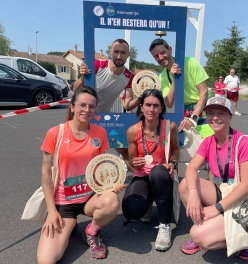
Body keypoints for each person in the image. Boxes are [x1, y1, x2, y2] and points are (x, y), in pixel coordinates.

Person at [37, 86, 126, 263]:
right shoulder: (55, 133)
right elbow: (46, 173)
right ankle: (70, 226)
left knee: (111, 201)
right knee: (46, 260)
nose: (87, 110)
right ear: (72, 106)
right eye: (82, 105)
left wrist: (111, 187)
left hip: (89, 197)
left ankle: (92, 231)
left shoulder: (99, 133)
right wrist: (52, 211)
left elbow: (101, 167)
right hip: (63, 202)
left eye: (91, 106)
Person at [178, 96, 248, 261]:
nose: (215, 117)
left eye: (221, 113)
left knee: (197, 235)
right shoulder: (209, 141)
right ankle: (213, 228)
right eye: (211, 113)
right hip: (223, 191)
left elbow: (247, 185)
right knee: (186, 185)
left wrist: (216, 208)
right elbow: (192, 168)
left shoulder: (244, 142)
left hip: (244, 201)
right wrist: (194, 194)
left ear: (230, 116)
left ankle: (245, 239)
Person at [122, 89, 180, 251]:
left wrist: (173, 163)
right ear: (141, 107)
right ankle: (147, 202)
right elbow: (133, 161)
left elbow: (175, 150)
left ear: (162, 108)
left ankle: (164, 226)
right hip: (142, 175)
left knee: (158, 173)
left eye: (156, 105)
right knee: (131, 209)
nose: (151, 109)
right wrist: (135, 161)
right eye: (148, 105)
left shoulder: (170, 127)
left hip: (162, 175)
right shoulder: (133, 131)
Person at [73, 38, 140, 172]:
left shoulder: (129, 77)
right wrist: (82, 77)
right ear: (111, 51)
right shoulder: (97, 65)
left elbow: (127, 105)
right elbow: (75, 89)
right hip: (83, 115)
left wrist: (141, 96)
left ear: (128, 55)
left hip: (103, 118)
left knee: (125, 151)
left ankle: (142, 179)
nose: (119, 56)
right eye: (116, 52)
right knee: (87, 153)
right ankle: (82, 182)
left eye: (123, 52)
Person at [149, 38, 214, 139]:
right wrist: (174, 79)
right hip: (184, 116)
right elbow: (169, 103)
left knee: (212, 149)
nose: (160, 57)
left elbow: (204, 92)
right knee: (187, 152)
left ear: (170, 50)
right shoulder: (162, 76)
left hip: (205, 113)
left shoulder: (189, 62)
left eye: (163, 52)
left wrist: (194, 117)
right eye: (156, 56)